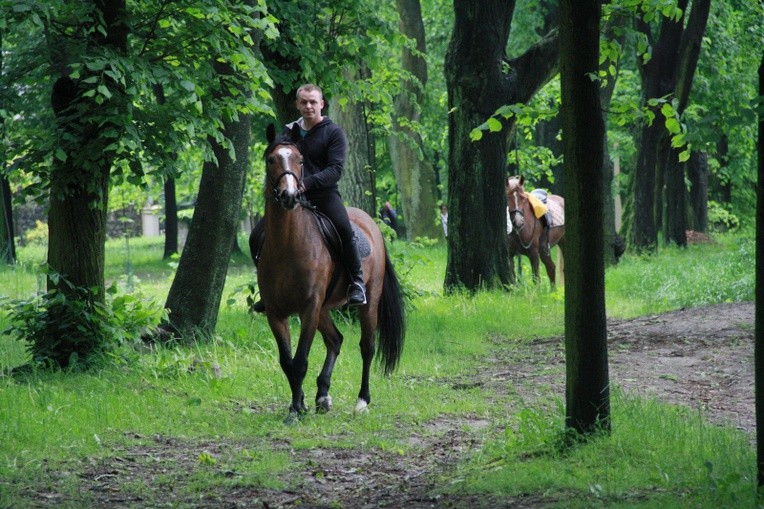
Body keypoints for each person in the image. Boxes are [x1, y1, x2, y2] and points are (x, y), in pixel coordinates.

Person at [253, 83, 366, 311]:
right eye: (303, 102)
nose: (308, 106)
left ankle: (357, 282)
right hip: (291, 197)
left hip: (324, 195)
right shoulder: (288, 132)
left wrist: (306, 184)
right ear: (297, 104)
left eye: (313, 102)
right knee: (256, 235)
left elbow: (335, 170)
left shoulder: (333, 133)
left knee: (344, 229)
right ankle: (268, 290)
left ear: (321, 104)